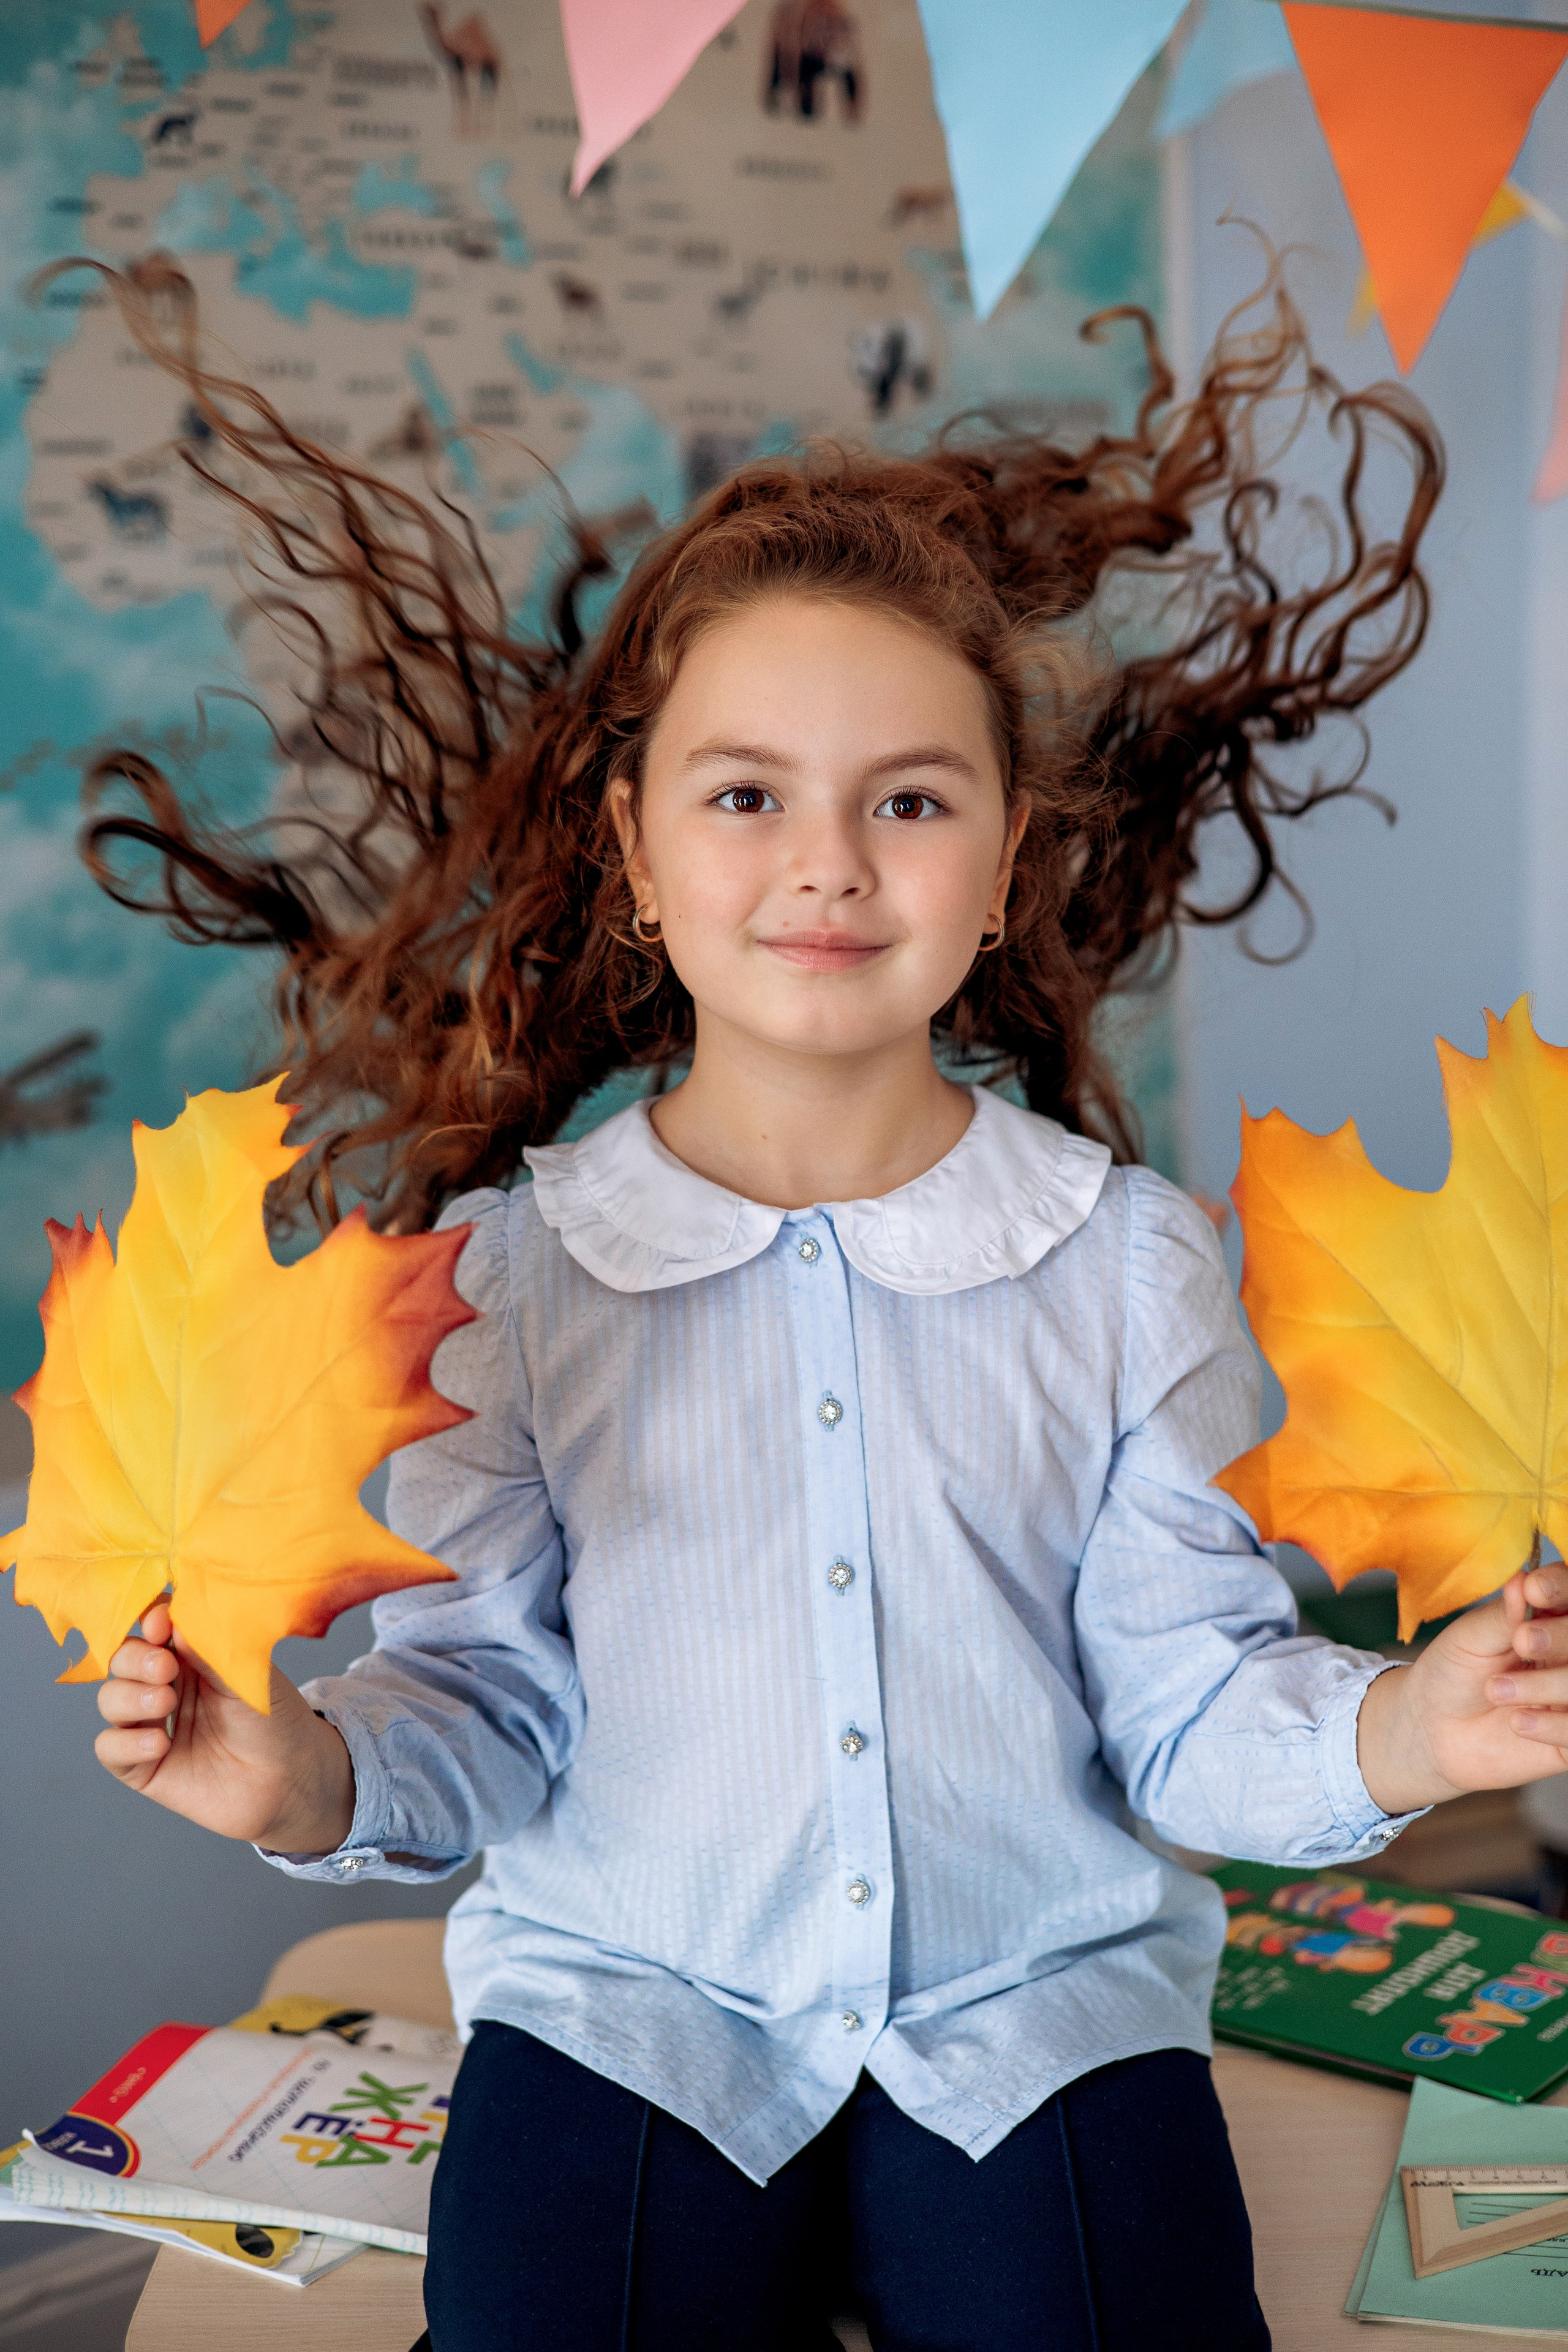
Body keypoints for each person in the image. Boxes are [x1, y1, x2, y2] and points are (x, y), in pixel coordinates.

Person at [77, 262, 1568, 2351]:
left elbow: (1190, 1709)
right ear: (635, 848)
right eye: (748, 792)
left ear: (1006, 857)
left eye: (913, 799)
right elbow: (485, 1712)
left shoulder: (1129, 1262)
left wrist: (1421, 1726)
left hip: (1038, 2009)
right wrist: (296, 1779)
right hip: (631, 2005)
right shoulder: (505, 1279)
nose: (831, 862)